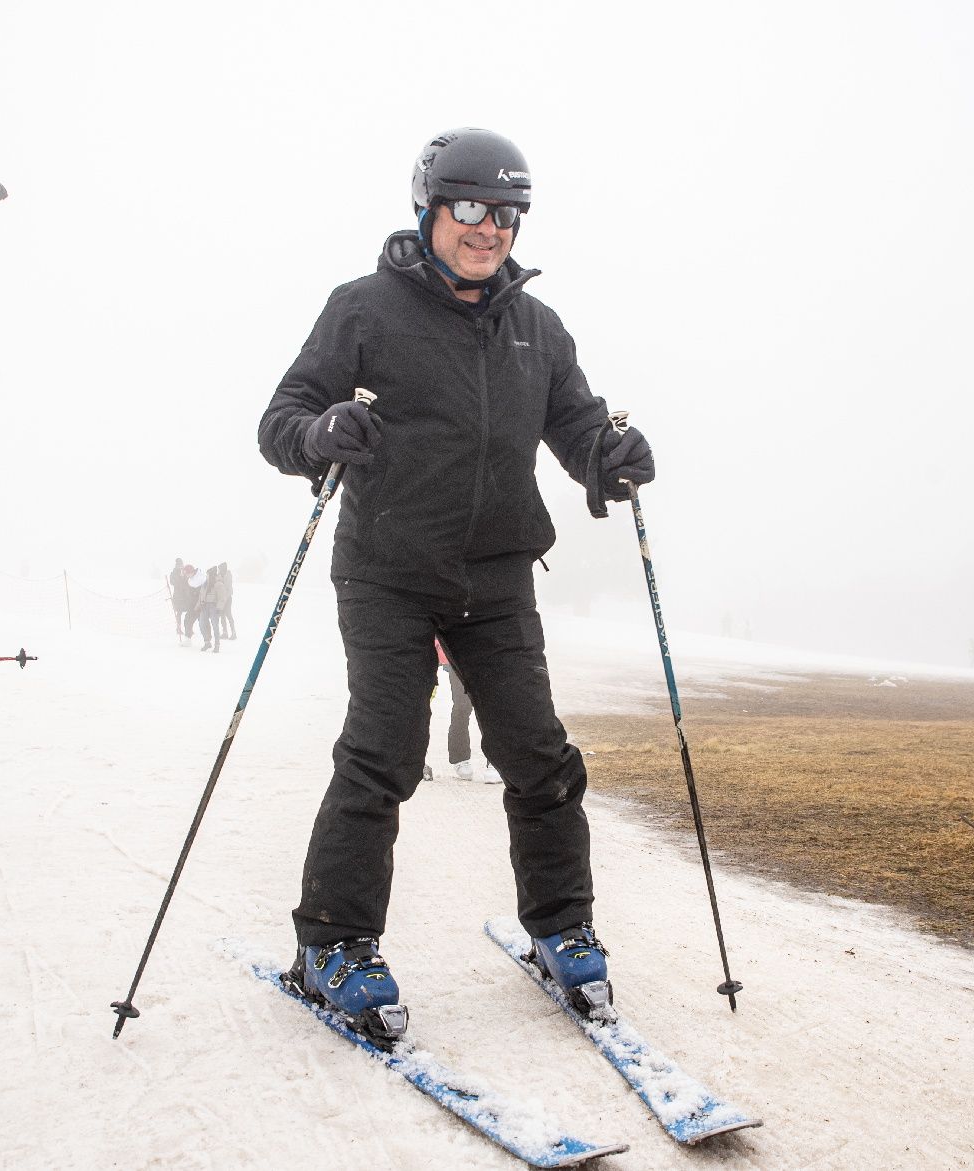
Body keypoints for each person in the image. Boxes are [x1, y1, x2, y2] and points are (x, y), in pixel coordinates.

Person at [257, 127, 655, 1042]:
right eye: (470, 206)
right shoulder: (364, 309)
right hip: (388, 570)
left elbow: (580, 428)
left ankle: (560, 926)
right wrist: (320, 434)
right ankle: (334, 943)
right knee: (385, 752)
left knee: (540, 756)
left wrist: (612, 460)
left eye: (507, 211)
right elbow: (281, 420)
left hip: (497, 573)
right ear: (431, 207)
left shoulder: (537, 327)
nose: (490, 228)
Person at [428, 637, 499, 784]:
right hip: (457, 647)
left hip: (489, 648)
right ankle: (460, 757)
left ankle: (495, 760)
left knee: (489, 704)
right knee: (462, 704)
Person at [191, 564, 223, 652]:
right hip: (204, 606)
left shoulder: (218, 584)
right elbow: (201, 595)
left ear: (212, 574)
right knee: (201, 624)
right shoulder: (205, 584)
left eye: (208, 574)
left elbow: (222, 598)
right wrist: (197, 607)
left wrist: (219, 608)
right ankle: (207, 642)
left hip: (214, 607)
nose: (207, 575)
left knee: (215, 626)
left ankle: (217, 645)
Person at [169, 558, 196, 644]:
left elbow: (188, 580)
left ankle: (189, 629)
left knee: (189, 612)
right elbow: (173, 582)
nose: (180, 565)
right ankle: (179, 628)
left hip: (186, 596)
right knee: (179, 612)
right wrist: (180, 577)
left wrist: (184, 576)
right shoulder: (173, 573)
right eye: (179, 564)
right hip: (178, 596)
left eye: (181, 564)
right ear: (176, 565)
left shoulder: (185, 571)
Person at [216, 562, 236, 640]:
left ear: (223, 568)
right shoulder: (219, 575)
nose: (219, 570)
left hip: (227, 598)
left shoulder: (228, 576)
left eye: (220, 569)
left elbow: (228, 588)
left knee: (228, 614)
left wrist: (224, 598)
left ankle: (233, 633)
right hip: (221, 599)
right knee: (222, 615)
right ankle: (225, 632)